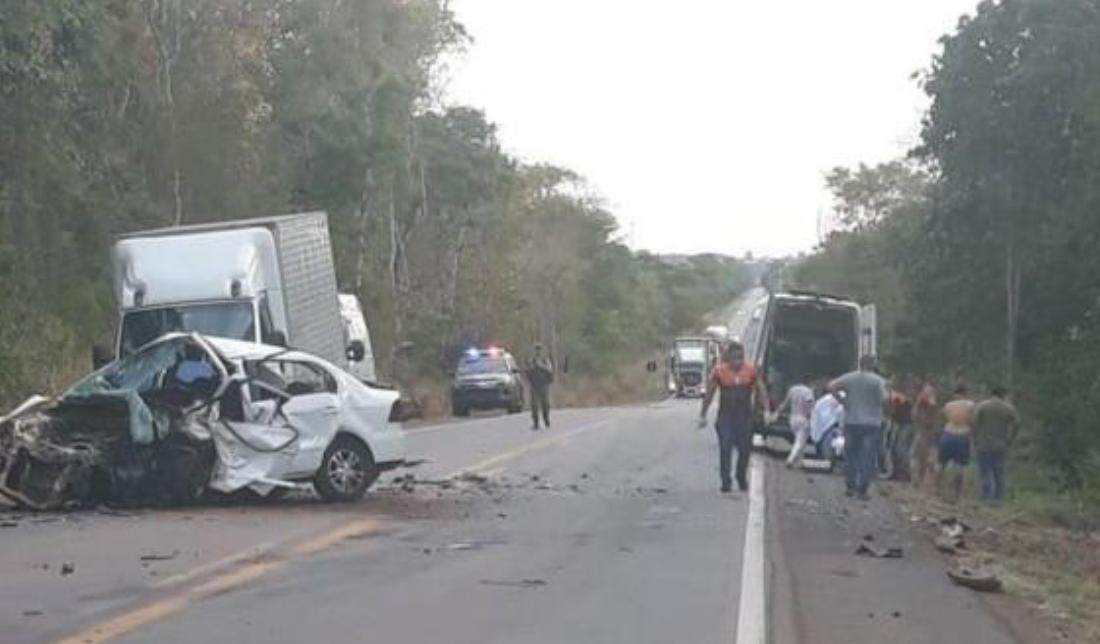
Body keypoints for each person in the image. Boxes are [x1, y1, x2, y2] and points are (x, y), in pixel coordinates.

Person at [698, 341, 771, 493]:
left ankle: (741, 476)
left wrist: (766, 410)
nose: (738, 361)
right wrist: (703, 414)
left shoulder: (751, 371)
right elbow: (710, 393)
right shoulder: (719, 372)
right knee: (725, 448)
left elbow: (761, 389)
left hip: (744, 416)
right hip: (726, 416)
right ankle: (726, 481)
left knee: (745, 450)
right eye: (735, 358)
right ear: (728, 358)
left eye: (740, 358)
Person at [829, 355, 889, 501]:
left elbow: (831, 386)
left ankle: (850, 487)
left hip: (852, 421)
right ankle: (862, 489)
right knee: (867, 457)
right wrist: (883, 409)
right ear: (873, 364)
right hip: (872, 423)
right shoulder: (879, 381)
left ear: (860, 364)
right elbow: (885, 399)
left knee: (851, 455)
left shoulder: (850, 378)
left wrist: (843, 401)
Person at [971, 386, 1018, 504]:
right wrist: (1010, 439)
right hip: (1000, 445)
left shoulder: (982, 406)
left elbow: (974, 423)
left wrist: (975, 438)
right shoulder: (1008, 408)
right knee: (999, 473)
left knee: (985, 472)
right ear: (1003, 395)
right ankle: (998, 499)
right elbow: (1017, 424)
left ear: (991, 393)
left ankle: (985, 498)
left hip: (983, 444)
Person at [937, 383, 975, 503]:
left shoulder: (948, 405)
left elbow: (942, 417)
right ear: (965, 393)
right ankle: (956, 495)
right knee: (959, 466)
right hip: (962, 436)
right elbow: (973, 420)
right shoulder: (970, 405)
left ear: (955, 394)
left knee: (941, 464)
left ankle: (938, 491)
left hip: (947, 434)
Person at [771, 381, 814, 469]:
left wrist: (776, 413)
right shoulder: (808, 391)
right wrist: (811, 415)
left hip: (793, 418)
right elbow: (809, 403)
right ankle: (791, 459)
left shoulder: (792, 390)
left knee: (801, 442)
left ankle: (800, 462)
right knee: (799, 442)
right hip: (803, 418)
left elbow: (785, 403)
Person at [910, 379, 940, 490]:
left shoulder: (924, 395)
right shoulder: (928, 393)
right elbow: (932, 406)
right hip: (925, 428)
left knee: (917, 455)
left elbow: (915, 413)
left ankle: (917, 480)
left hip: (923, 428)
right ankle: (919, 480)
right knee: (921, 455)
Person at [886, 383, 914, 481]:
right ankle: (897, 472)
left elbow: (892, 410)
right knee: (894, 448)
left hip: (905, 424)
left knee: (900, 449)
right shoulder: (896, 397)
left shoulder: (898, 397)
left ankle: (905, 473)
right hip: (898, 423)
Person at [810, 387, 844, 462]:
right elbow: (840, 410)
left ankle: (822, 457)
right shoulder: (830, 399)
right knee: (825, 441)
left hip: (824, 423)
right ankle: (825, 458)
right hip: (827, 423)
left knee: (822, 440)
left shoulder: (825, 400)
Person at [525, 344, 554, 430]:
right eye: (537, 350)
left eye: (539, 350)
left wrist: (541, 365)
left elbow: (550, 370)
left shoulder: (546, 360)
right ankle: (536, 423)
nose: (538, 351)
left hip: (543, 385)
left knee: (545, 404)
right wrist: (531, 366)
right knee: (534, 405)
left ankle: (546, 420)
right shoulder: (532, 360)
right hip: (534, 385)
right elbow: (527, 371)